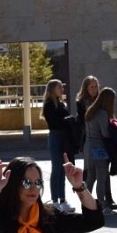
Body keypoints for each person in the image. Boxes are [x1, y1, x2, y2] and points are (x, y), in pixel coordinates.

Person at [41, 79, 76, 211]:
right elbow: (55, 122)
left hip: (63, 137)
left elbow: (67, 120)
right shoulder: (49, 104)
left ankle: (62, 200)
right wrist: (67, 121)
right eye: (59, 87)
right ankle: (55, 201)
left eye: (62, 87)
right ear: (52, 89)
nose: (62, 89)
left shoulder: (61, 104)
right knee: (57, 168)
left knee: (63, 168)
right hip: (55, 136)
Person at [84, 87, 116, 214]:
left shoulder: (90, 110)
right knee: (101, 177)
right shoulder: (102, 113)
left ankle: (86, 204)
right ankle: (102, 205)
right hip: (99, 148)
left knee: (90, 178)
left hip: (88, 147)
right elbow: (105, 133)